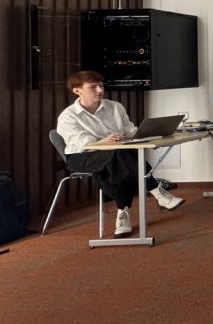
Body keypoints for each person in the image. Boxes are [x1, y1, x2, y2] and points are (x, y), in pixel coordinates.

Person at [56, 70, 184, 238]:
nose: (100, 91)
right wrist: (103, 141)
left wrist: (150, 135)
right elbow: (81, 141)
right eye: (93, 87)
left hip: (114, 156)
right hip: (81, 156)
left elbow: (130, 131)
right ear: (77, 90)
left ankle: (122, 214)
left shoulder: (115, 107)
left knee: (116, 164)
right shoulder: (68, 116)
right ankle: (156, 190)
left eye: (101, 86)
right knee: (120, 156)